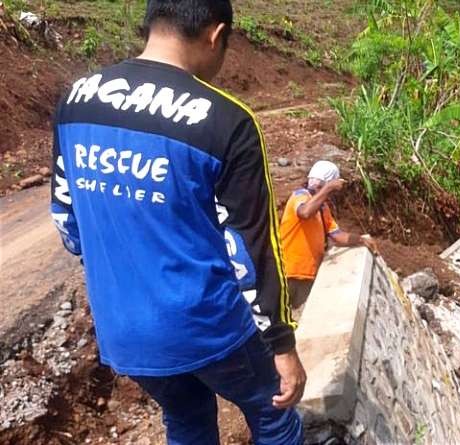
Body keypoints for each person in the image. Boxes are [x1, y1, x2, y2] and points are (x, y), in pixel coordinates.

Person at [49, 1, 305, 443]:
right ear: (215, 33)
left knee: (186, 419)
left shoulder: (76, 99)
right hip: (207, 325)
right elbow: (251, 251)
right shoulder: (227, 120)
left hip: (123, 330)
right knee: (273, 410)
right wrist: (282, 346)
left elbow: (67, 221)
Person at [279, 160, 378, 311]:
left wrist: (361, 239)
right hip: (287, 272)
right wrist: (329, 187)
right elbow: (304, 213)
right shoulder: (299, 196)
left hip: (308, 276)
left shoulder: (322, 208)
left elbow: (337, 235)